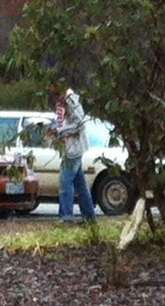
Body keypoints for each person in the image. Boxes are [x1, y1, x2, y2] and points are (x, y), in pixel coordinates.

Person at [48, 80, 96, 223]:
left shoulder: (70, 99)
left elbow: (79, 124)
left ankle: (66, 216)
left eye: (51, 85)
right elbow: (62, 121)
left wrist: (59, 131)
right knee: (80, 183)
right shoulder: (61, 101)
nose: (50, 89)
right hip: (68, 148)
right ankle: (89, 216)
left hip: (73, 148)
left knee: (65, 181)